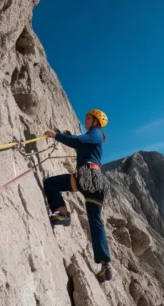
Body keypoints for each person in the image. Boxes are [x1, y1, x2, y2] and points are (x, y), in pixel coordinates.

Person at [43, 109, 113, 283]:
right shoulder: (94, 138)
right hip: (95, 182)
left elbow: (79, 141)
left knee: (51, 183)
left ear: (96, 122)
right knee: (95, 221)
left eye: (89, 118)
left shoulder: (94, 134)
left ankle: (63, 213)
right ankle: (105, 265)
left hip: (87, 177)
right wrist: (68, 136)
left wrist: (56, 135)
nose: (86, 120)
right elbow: (80, 142)